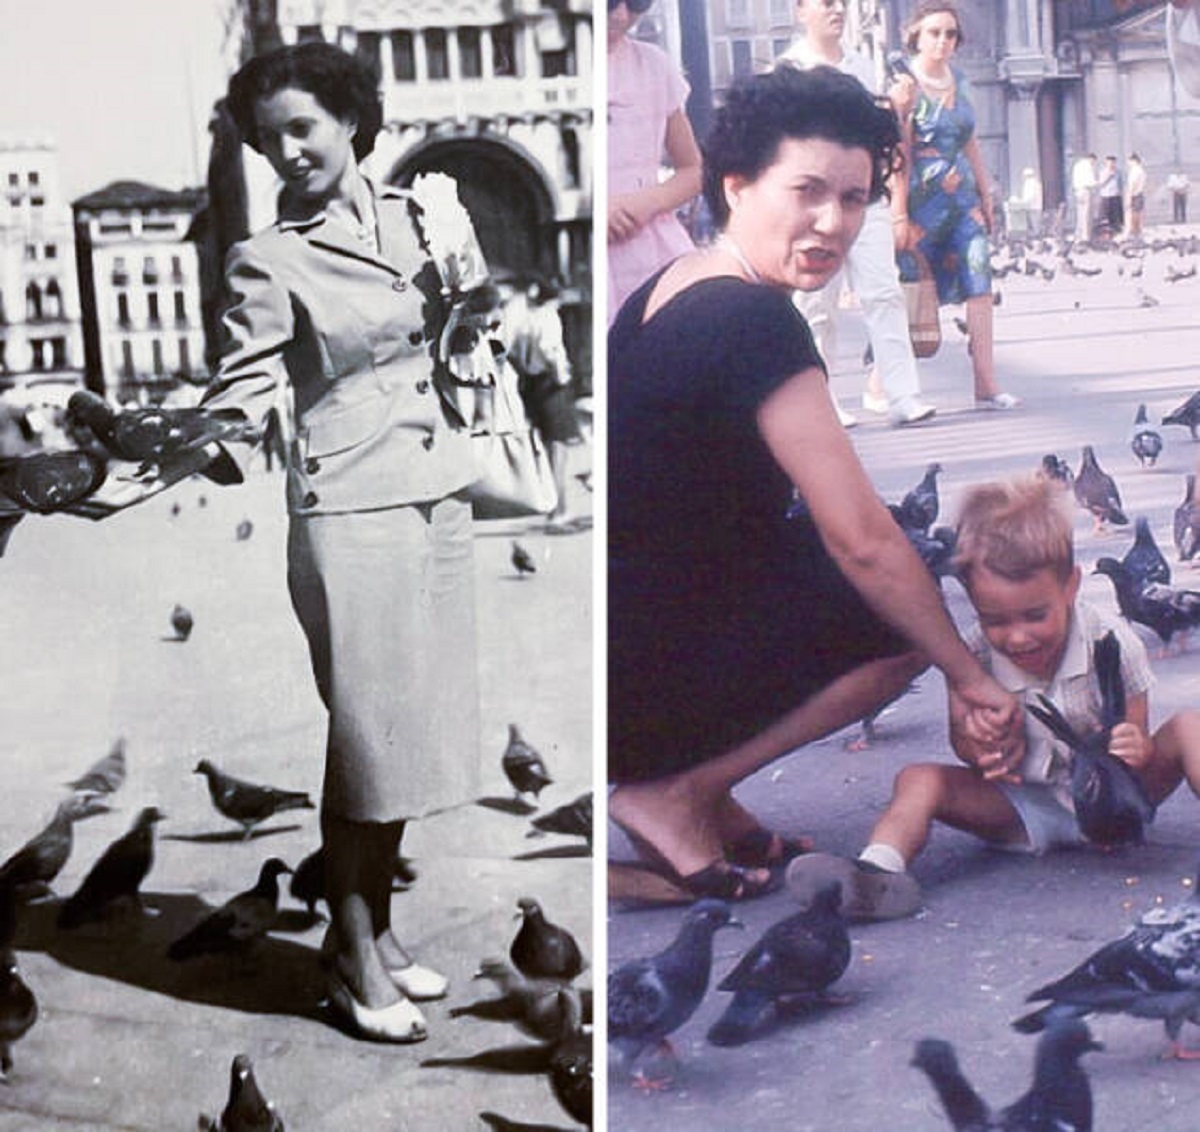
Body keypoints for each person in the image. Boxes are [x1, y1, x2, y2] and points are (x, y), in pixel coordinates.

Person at [607, 65, 1021, 903]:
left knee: (867, 570)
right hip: (638, 686)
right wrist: (967, 675)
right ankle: (674, 795)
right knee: (903, 595)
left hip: (618, 655)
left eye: (856, 199)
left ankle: (709, 800)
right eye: (806, 191)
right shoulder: (752, 318)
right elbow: (859, 538)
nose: (832, 223)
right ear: (736, 186)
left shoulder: (671, 284)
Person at [200, 42, 489, 1042]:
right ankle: (348, 947)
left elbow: (461, 332)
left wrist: (462, 263)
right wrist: (198, 443)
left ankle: (384, 930)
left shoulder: (420, 214)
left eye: (301, 129)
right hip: (349, 509)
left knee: (407, 737)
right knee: (367, 742)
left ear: (350, 120)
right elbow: (241, 388)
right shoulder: (269, 257)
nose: (285, 153)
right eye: (268, 139)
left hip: (437, 493)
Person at [787, 477, 1200, 919]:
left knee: (1191, 726)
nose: (1018, 636)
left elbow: (1134, 739)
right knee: (919, 778)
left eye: (1035, 615)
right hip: (1024, 806)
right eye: (995, 619)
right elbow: (962, 748)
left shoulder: (1112, 642)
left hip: (1113, 806)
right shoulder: (970, 655)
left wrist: (1134, 747)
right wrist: (981, 744)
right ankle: (876, 874)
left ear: (1071, 586)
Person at [778, 0, 936, 430]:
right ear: (801, 10)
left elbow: (881, 135)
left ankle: (903, 394)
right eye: (827, 3)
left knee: (883, 291)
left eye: (842, 4)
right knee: (817, 302)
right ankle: (822, 399)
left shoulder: (863, 65)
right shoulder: (789, 69)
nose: (838, 11)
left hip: (863, 192)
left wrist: (896, 109)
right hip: (811, 197)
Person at [891, 1, 1019, 411]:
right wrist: (898, 212)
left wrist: (986, 192)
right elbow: (899, 152)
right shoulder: (903, 82)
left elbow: (970, 140)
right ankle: (885, 382)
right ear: (916, 35)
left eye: (950, 34)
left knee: (980, 282)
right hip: (921, 204)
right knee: (911, 295)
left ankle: (986, 383)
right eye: (934, 33)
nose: (943, 41)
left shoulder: (960, 81)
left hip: (963, 203)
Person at [607, 0, 703, 324]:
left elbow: (693, 170)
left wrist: (645, 202)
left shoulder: (654, 65)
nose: (621, 15)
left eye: (636, 2)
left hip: (649, 245)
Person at [505, 275, 581, 530]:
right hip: (551, 385)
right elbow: (551, 350)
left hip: (532, 385)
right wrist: (562, 373)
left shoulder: (525, 319)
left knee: (548, 450)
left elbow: (513, 351)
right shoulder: (549, 317)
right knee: (559, 451)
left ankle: (554, 507)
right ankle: (560, 510)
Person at [1071, 152, 1097, 244]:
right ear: (1092, 159)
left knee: (1080, 214)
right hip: (1086, 190)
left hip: (1078, 191)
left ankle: (1078, 235)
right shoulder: (1088, 166)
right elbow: (1090, 181)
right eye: (1094, 162)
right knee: (1086, 214)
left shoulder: (1077, 165)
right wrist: (1098, 183)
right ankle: (1085, 237)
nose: (1094, 164)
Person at [1097, 155, 1123, 238]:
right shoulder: (1103, 172)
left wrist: (1121, 193)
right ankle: (1105, 233)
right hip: (1106, 195)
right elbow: (1100, 184)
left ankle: (1116, 231)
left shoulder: (1118, 172)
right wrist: (1108, 177)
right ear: (1106, 163)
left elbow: (1120, 184)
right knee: (1105, 215)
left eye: (1113, 162)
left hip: (1115, 195)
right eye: (1109, 162)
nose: (1111, 164)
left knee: (1116, 215)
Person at [1125, 153, 1147, 238]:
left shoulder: (1135, 171)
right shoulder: (1141, 170)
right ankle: (1138, 231)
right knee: (1138, 213)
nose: (1128, 163)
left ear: (1133, 161)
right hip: (1140, 193)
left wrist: (1129, 197)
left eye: (1129, 161)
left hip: (1135, 195)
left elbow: (1132, 185)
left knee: (1134, 214)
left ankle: (1134, 232)